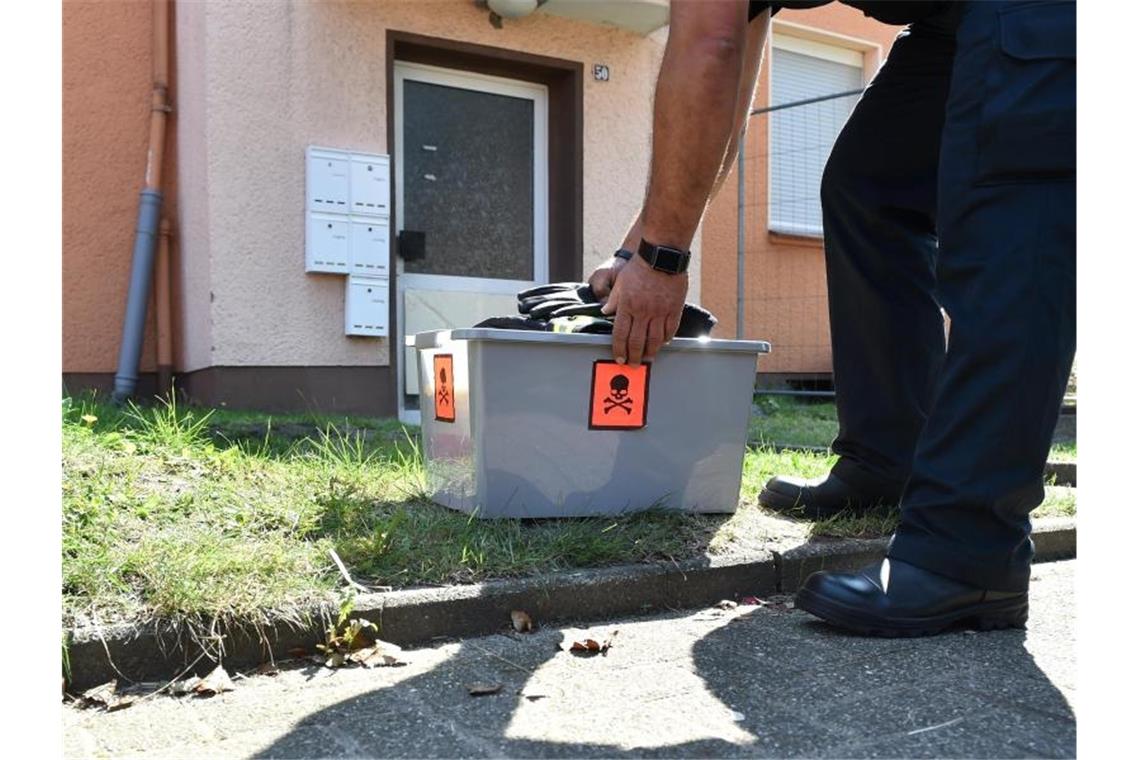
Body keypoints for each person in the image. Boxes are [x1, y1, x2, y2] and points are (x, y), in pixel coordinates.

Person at [590, 0, 1076, 637]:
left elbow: (709, 50)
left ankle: (969, 551)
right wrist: (643, 250)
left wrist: (662, 259)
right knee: (869, 186)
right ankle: (888, 459)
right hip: (952, 19)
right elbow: (723, 90)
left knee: (1009, 218)